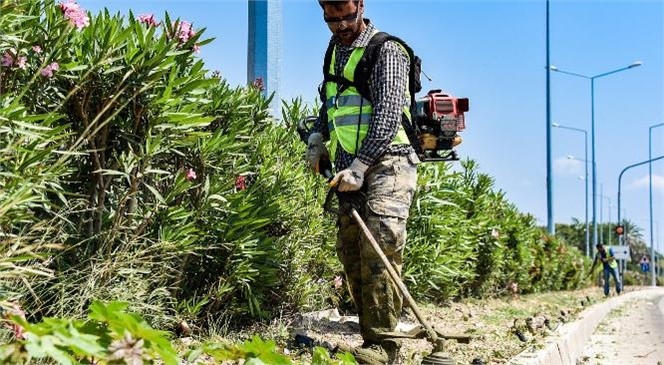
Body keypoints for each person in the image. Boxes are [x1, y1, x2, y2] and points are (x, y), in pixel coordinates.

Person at [305, 0, 419, 363]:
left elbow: (387, 113)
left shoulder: (386, 51)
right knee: (352, 251)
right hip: (348, 167)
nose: (340, 25)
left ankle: (386, 347)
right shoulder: (334, 52)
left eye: (347, 16)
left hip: (388, 163)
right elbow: (331, 101)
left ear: (362, 6)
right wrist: (317, 138)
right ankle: (372, 339)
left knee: (381, 245)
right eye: (331, 19)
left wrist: (360, 166)